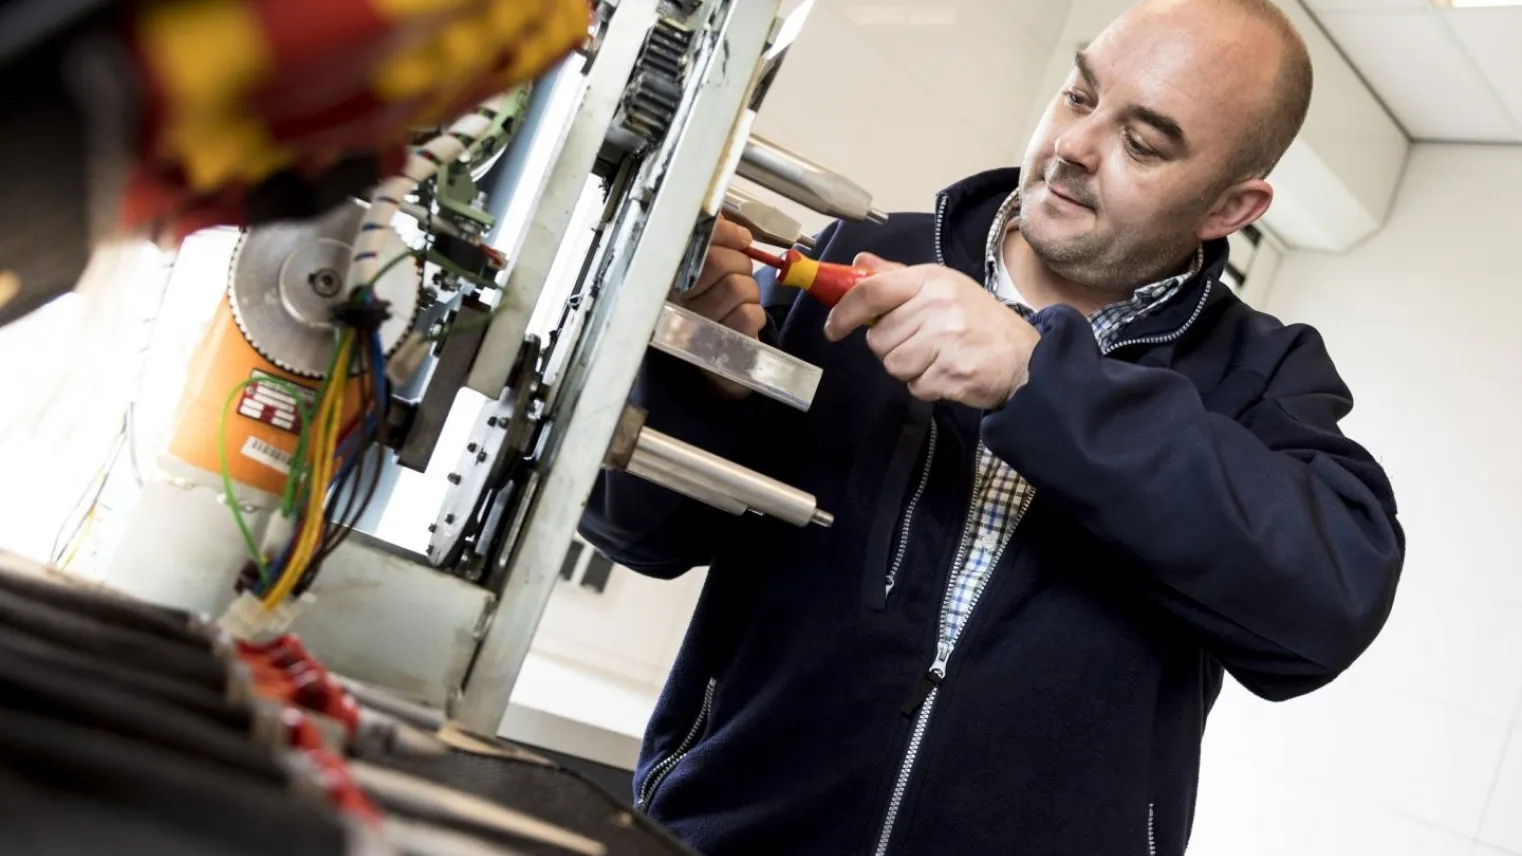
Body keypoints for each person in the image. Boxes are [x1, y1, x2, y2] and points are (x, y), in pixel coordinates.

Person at [580, 0, 1404, 853]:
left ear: (1230, 207)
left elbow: (1326, 606)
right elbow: (639, 534)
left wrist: (1034, 379)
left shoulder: (1262, 375)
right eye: (1081, 96)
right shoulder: (863, 255)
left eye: (1143, 144)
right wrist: (694, 375)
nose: (1075, 148)